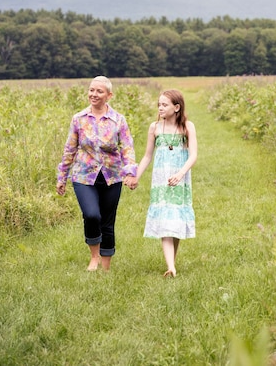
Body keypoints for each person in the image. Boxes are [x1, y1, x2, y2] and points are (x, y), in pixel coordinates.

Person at [56, 76, 136, 272]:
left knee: (108, 221)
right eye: (92, 90)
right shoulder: (79, 119)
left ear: (109, 95)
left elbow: (127, 148)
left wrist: (130, 173)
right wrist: (62, 177)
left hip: (112, 176)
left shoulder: (118, 120)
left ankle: (106, 266)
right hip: (84, 175)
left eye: (99, 91)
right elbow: (70, 149)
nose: (94, 94)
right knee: (92, 215)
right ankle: (94, 257)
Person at [129, 89, 197, 277]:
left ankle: (171, 263)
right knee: (166, 220)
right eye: (159, 104)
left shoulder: (187, 127)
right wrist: (136, 176)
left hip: (179, 178)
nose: (160, 107)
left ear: (176, 107)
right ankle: (171, 267)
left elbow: (193, 155)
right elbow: (147, 156)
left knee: (175, 219)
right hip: (161, 179)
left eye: (164, 104)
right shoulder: (155, 128)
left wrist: (181, 173)